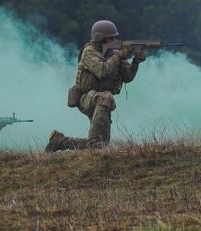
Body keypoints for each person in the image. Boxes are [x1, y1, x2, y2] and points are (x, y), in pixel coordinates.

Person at [45, 20, 146, 151]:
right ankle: (89, 145)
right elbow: (102, 71)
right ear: (100, 38)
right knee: (106, 98)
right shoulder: (89, 52)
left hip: (102, 102)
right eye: (111, 37)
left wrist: (136, 61)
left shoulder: (113, 53)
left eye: (115, 37)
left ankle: (60, 141)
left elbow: (127, 77)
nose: (115, 39)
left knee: (101, 146)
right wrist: (119, 55)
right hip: (86, 98)